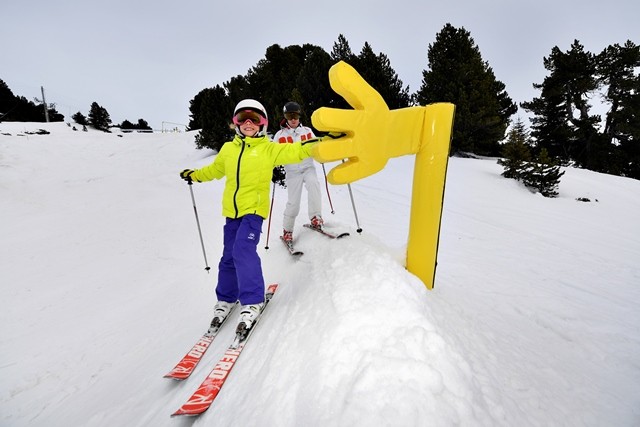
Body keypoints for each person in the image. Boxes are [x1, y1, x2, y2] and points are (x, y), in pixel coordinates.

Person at [180, 99, 316, 332]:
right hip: (232, 212)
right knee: (228, 256)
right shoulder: (228, 149)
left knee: (243, 250)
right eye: (243, 118)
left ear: (263, 122)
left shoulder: (269, 148)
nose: (248, 123)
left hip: (254, 210)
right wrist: (195, 175)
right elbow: (214, 170)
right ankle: (226, 298)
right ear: (236, 122)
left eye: (254, 118)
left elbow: (297, 150)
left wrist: (322, 143)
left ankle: (253, 301)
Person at [273, 102, 324, 243]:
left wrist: (322, 154)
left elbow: (316, 146)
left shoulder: (307, 131)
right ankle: (287, 230)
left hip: (308, 167)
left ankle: (316, 217)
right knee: (293, 201)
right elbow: (273, 153)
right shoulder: (279, 135)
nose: (293, 119)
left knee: (314, 186)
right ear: (285, 117)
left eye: (295, 115)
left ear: (299, 115)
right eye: (289, 116)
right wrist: (273, 168)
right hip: (292, 172)